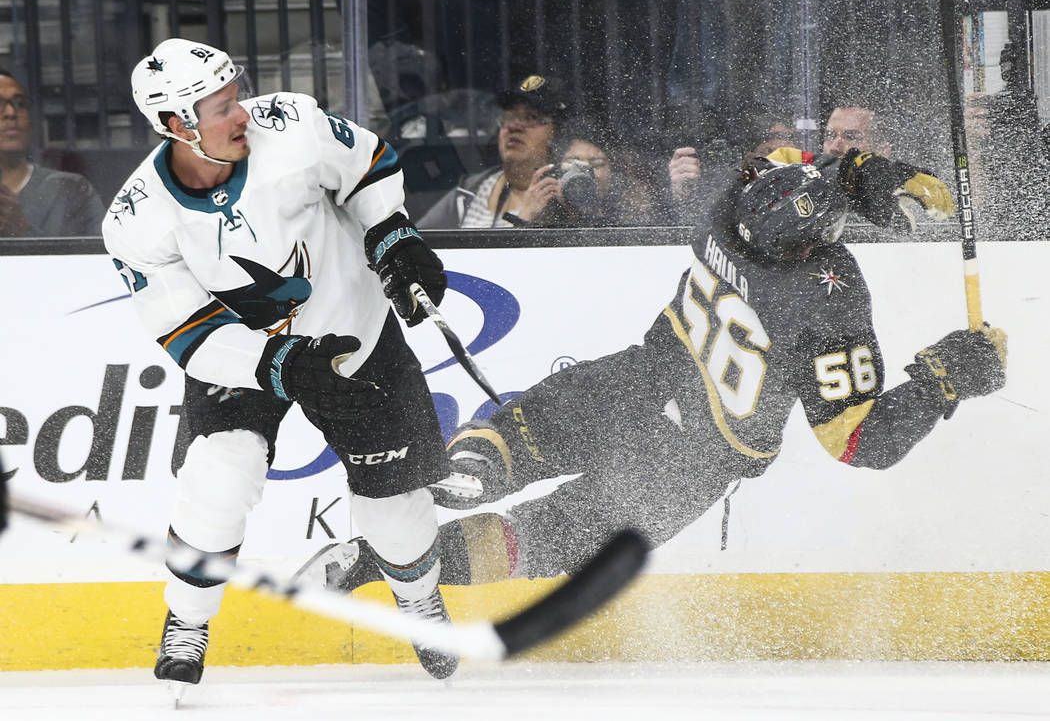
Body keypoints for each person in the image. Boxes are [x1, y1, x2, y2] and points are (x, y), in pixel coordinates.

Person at [296, 146, 1006, 596]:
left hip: (636, 383)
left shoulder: (730, 207)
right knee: (541, 539)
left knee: (506, 444)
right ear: (811, 247)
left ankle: (419, 507)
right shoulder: (830, 295)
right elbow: (859, 441)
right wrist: (945, 378)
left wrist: (860, 175)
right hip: (695, 465)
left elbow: (791, 164)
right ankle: (379, 564)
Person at [101, 38, 457, 687]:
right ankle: (188, 619)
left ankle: (419, 600)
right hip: (246, 361)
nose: (243, 113)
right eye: (222, 109)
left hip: (355, 335)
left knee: (394, 512)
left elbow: (368, 164)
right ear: (177, 125)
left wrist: (393, 235)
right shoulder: (137, 220)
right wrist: (283, 365)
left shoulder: (291, 123)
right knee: (218, 479)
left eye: (235, 96)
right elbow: (186, 330)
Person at [417, 74, 582, 228]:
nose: (513, 126)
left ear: (556, 133)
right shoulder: (473, 189)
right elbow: (417, 239)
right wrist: (523, 220)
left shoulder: (568, 190)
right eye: (508, 117)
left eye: (531, 117)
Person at [0, 69, 103, 236]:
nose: (11, 113)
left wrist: (22, 230)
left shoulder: (71, 189)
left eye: (20, 103)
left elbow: (100, 250)